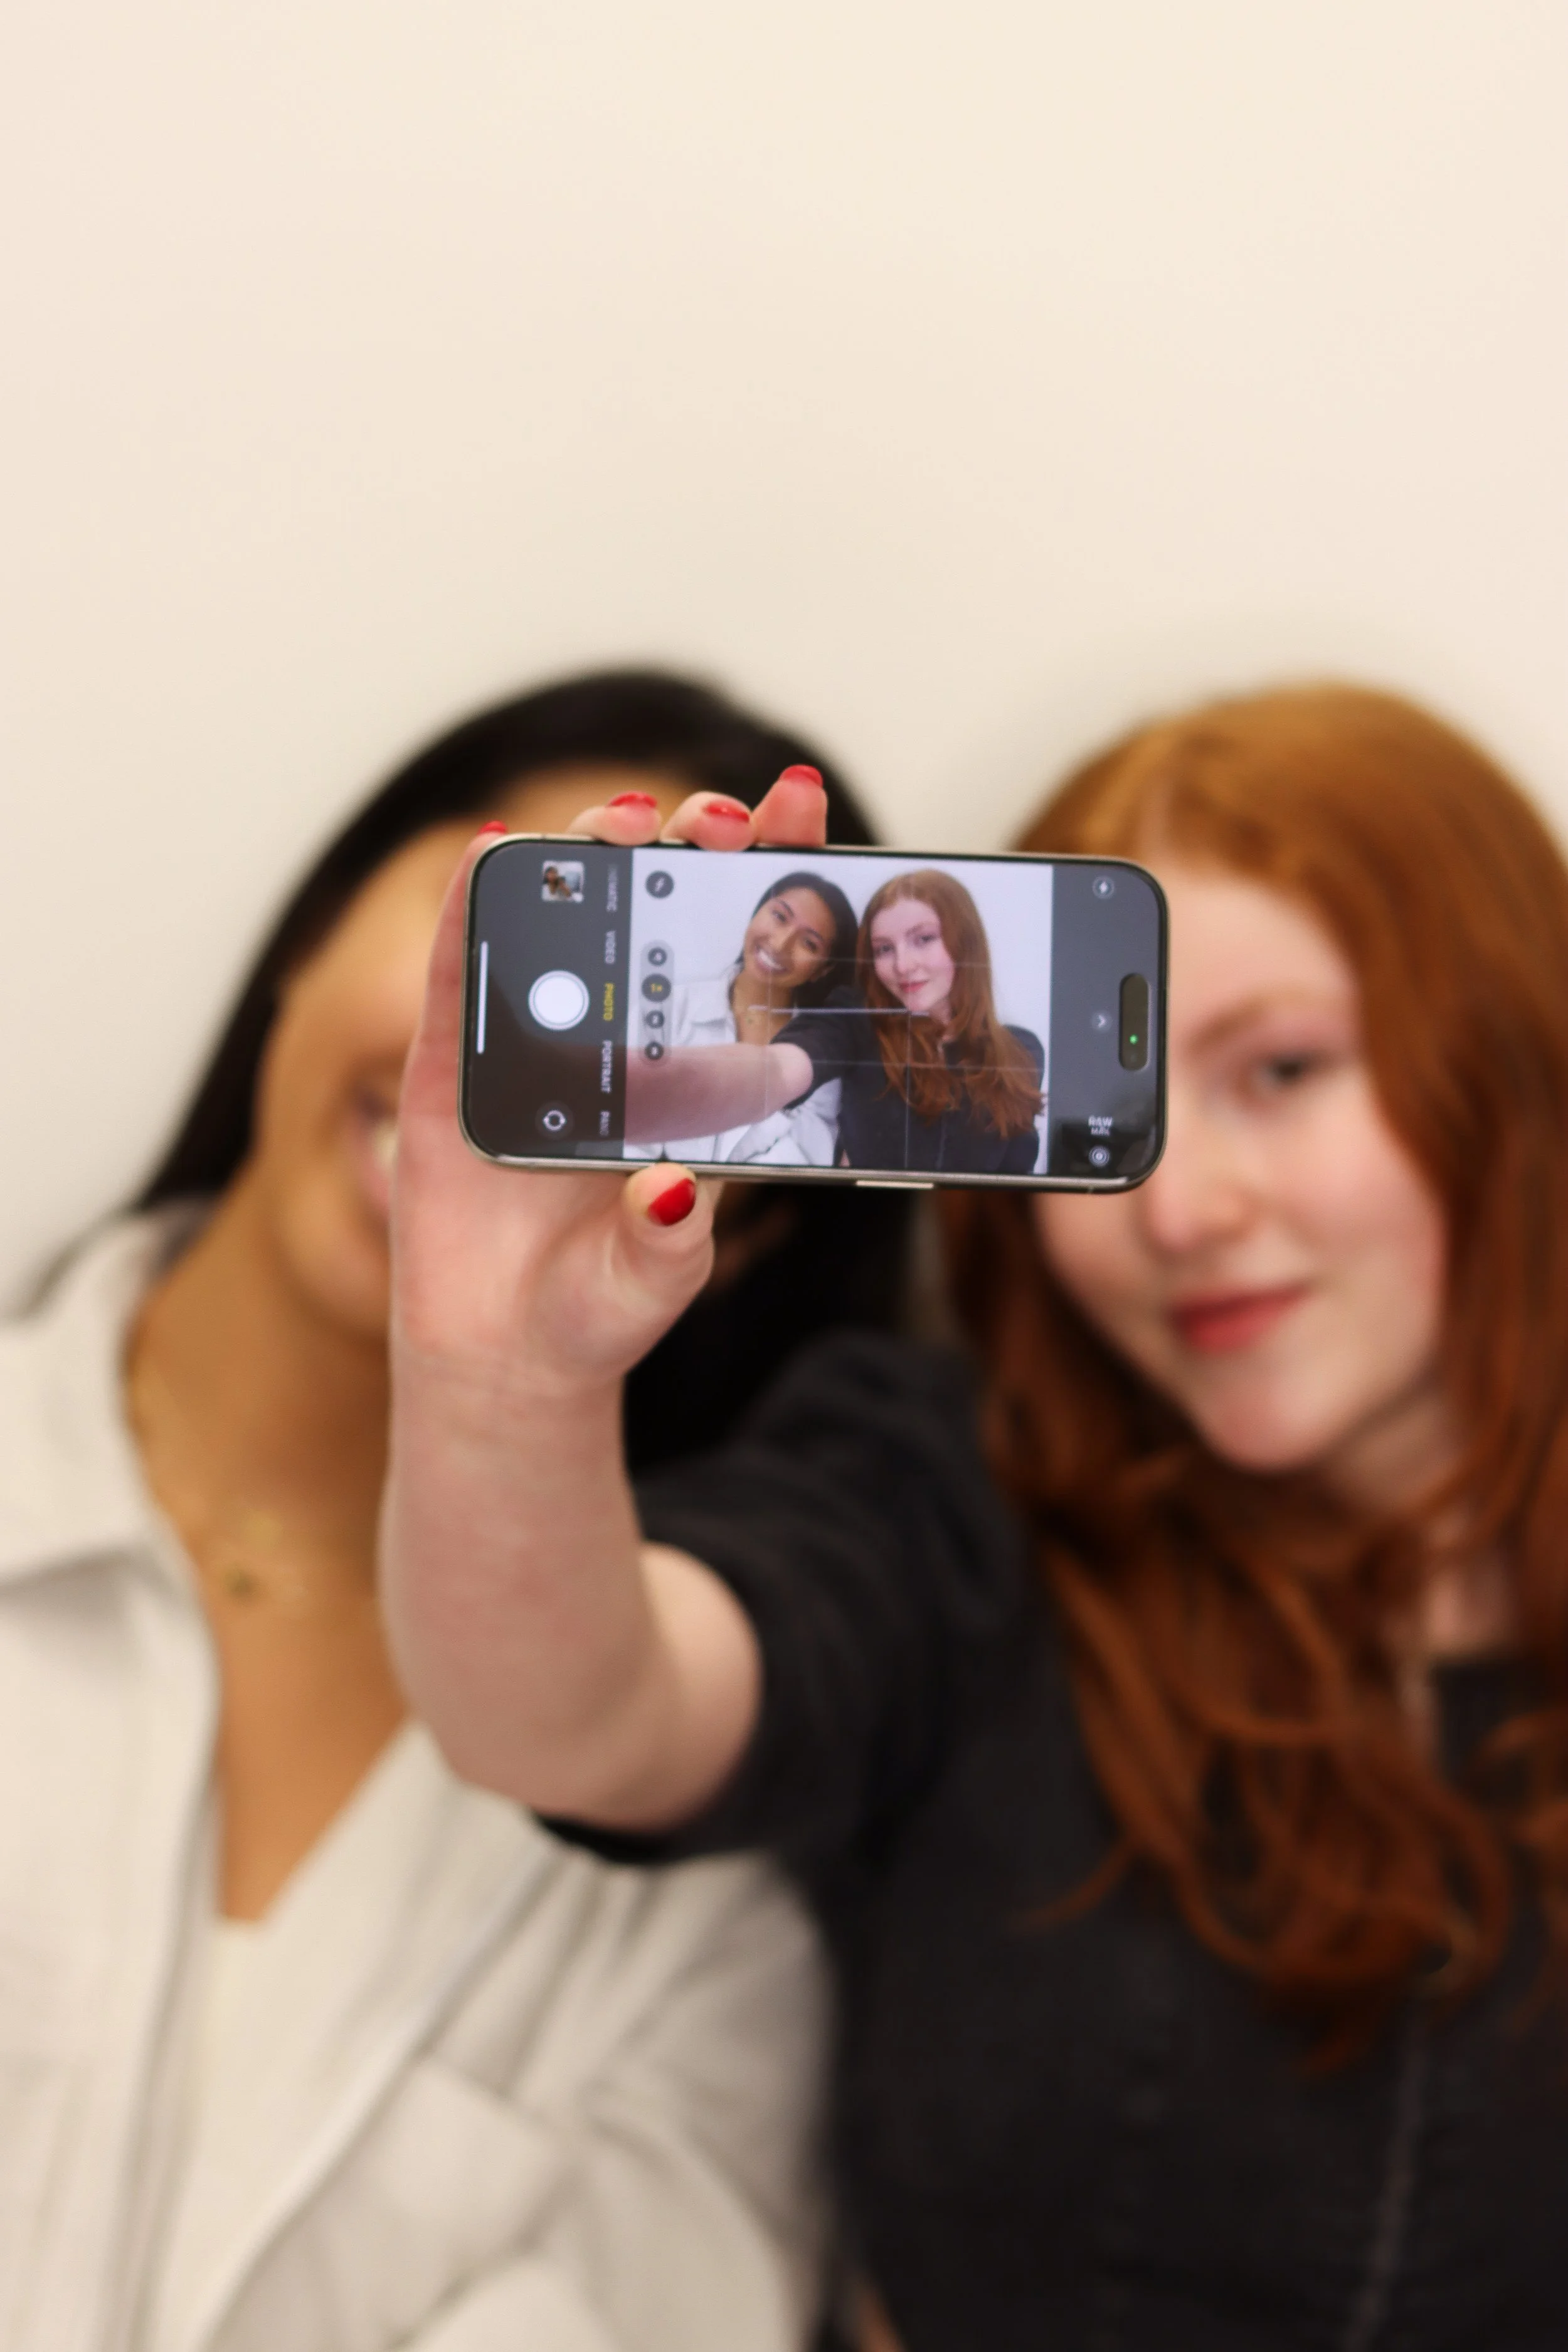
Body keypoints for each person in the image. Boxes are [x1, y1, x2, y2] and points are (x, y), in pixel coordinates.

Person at [384, 684, 1568, 2352]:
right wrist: (498, 1377)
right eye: (1129, 1096)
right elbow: (575, 1718)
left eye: (1282, 1069)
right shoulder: (943, 1499)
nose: (1179, 1207)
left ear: (1512, 1058)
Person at [0, 668, 913, 2352]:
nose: (511, 1044)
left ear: (757, 1223)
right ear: (316, 925)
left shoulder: (707, 1854)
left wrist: (506, 1377)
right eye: (510, 927)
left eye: (673, 1032)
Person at [623, 867, 1044, 1175]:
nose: (903, 965)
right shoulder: (856, 1018)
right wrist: (615, 1091)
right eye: (884, 949)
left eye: (923, 939)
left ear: (964, 940)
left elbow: (1016, 1178)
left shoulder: (1022, 1050)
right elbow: (782, 1067)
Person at [627, 869, 859, 1168]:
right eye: (779, 916)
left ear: (822, 970)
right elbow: (627, 1121)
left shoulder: (822, 1054)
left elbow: (805, 1155)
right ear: (757, 912)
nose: (781, 944)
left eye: (809, 944)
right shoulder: (666, 1007)